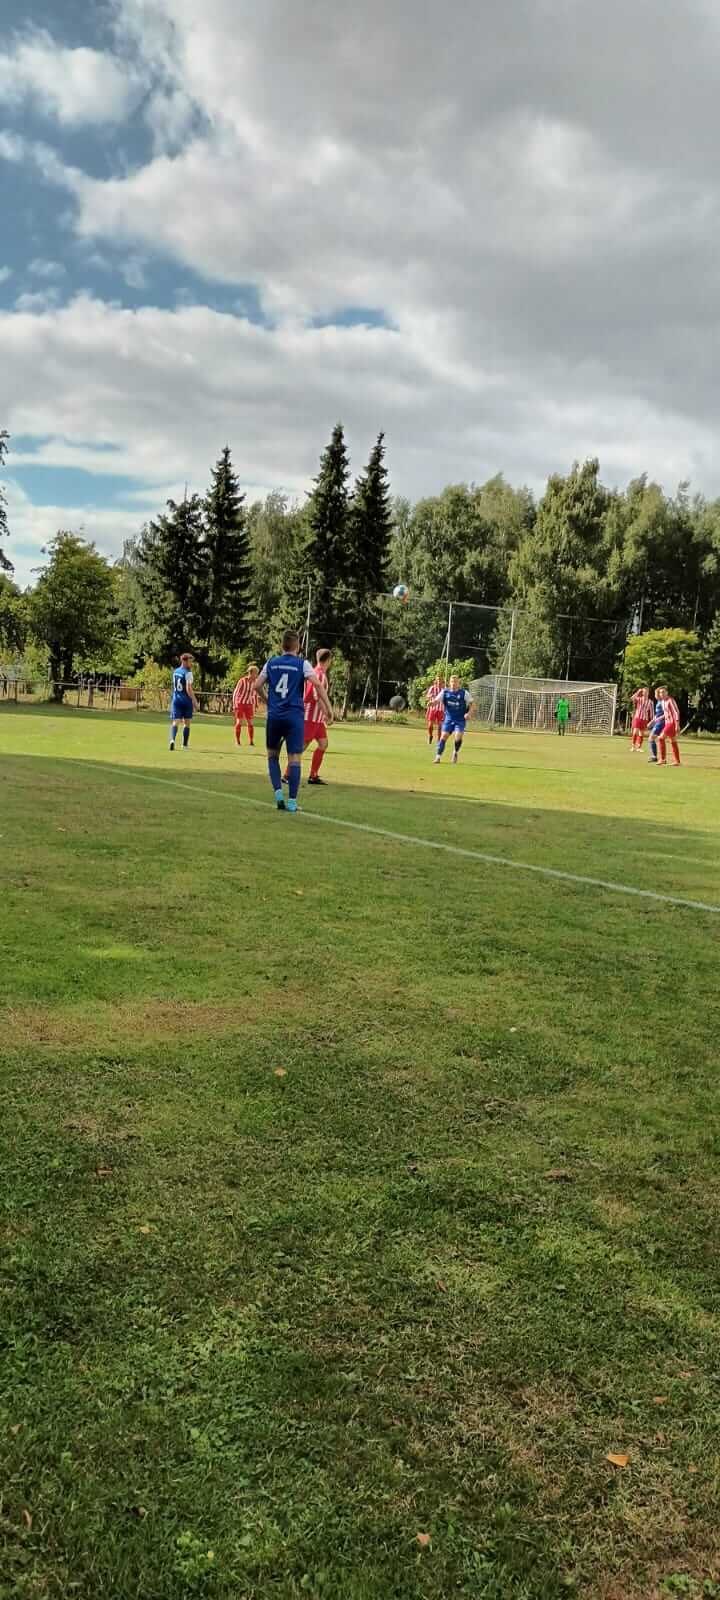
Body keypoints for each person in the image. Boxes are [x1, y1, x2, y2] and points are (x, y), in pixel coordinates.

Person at [255, 629, 333, 812]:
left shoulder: (271, 662)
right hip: (294, 718)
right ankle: (292, 802)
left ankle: (278, 795)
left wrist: (268, 701)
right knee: (295, 758)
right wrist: (329, 708)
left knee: (272, 756)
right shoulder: (303, 664)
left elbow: (257, 685)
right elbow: (317, 686)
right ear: (297, 646)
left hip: (274, 716)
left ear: (282, 645)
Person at [432, 674, 473, 764]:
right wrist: (431, 703)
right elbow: (436, 701)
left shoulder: (464, 693)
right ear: (449, 683)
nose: (453, 683)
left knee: (458, 737)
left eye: (455, 682)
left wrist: (469, 713)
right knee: (443, 737)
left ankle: (455, 752)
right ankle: (438, 757)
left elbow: (472, 704)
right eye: (452, 682)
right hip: (449, 719)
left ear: (458, 683)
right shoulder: (445, 692)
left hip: (460, 720)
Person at [169, 652, 199, 750]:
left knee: (176, 721)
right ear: (183, 661)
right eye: (190, 661)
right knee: (187, 723)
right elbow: (188, 689)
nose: (191, 664)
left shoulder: (175, 671)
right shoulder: (188, 673)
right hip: (186, 700)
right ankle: (185, 745)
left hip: (176, 699)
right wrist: (194, 701)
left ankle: (172, 740)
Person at [232, 663, 259, 747]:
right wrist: (234, 703)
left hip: (249, 704)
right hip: (240, 703)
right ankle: (237, 741)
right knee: (239, 722)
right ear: (251, 673)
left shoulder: (255, 682)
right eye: (255, 673)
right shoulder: (242, 681)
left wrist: (256, 703)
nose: (256, 675)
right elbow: (236, 692)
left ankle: (251, 741)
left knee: (250, 723)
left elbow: (255, 693)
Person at [655, 686, 681, 767]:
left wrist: (677, 725)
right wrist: (660, 718)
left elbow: (676, 713)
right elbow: (667, 713)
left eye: (663, 692)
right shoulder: (662, 701)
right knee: (673, 741)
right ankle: (677, 761)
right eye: (660, 692)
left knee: (660, 738)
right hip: (667, 723)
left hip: (672, 723)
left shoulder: (670, 700)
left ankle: (663, 759)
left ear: (667, 693)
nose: (661, 694)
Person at [630, 686, 654, 751]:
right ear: (642, 693)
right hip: (637, 717)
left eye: (647, 692)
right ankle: (633, 746)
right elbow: (632, 698)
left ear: (648, 693)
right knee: (635, 732)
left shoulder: (650, 702)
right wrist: (638, 692)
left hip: (645, 719)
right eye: (644, 692)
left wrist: (652, 720)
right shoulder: (639, 699)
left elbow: (651, 712)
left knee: (641, 733)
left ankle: (639, 747)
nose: (646, 693)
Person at [425, 672, 446, 745]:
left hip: (441, 709)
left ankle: (439, 741)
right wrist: (430, 695)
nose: (439, 681)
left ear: (442, 681)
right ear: (436, 681)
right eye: (438, 680)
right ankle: (430, 736)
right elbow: (427, 696)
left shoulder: (444, 689)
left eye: (440, 680)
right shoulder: (432, 688)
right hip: (432, 709)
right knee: (430, 725)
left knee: (440, 726)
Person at [647, 690, 665, 764]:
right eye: (655, 693)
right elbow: (657, 714)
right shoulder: (658, 702)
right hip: (658, 722)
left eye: (657, 693)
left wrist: (659, 719)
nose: (655, 695)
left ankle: (655, 757)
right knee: (659, 739)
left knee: (651, 738)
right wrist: (651, 722)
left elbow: (666, 713)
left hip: (661, 723)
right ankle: (661, 758)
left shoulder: (663, 702)